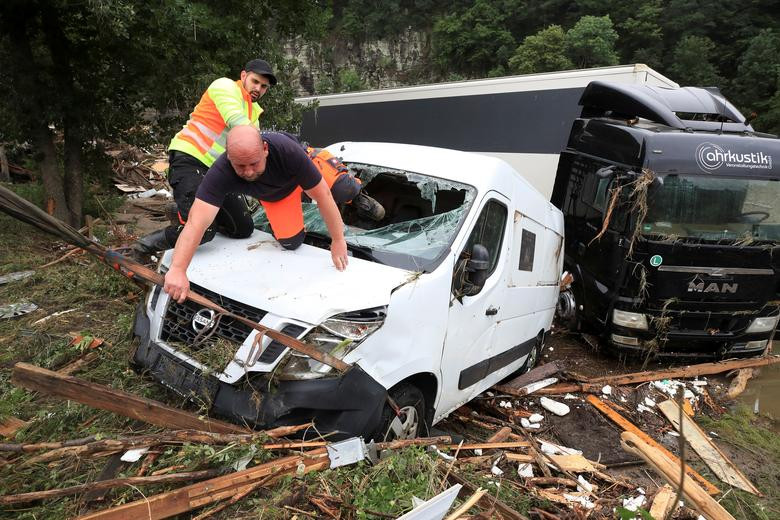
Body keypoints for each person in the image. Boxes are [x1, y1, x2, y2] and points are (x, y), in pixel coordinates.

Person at [164, 126, 365, 303]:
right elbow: (196, 222)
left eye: (254, 163)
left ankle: (345, 180)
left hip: (301, 167)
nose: (249, 172)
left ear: (265, 150)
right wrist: (178, 270)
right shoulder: (221, 171)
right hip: (277, 195)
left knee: (343, 190)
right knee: (291, 242)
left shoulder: (288, 151)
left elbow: (324, 197)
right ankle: (300, 197)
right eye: (240, 166)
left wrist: (338, 240)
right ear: (229, 157)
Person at [134, 58, 278, 255]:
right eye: (255, 81)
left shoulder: (253, 111)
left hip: (216, 172)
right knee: (203, 232)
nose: (258, 89)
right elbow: (239, 124)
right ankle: (143, 247)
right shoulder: (225, 86)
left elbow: (255, 151)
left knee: (243, 228)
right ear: (243, 76)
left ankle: (191, 210)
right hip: (190, 159)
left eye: (264, 86)